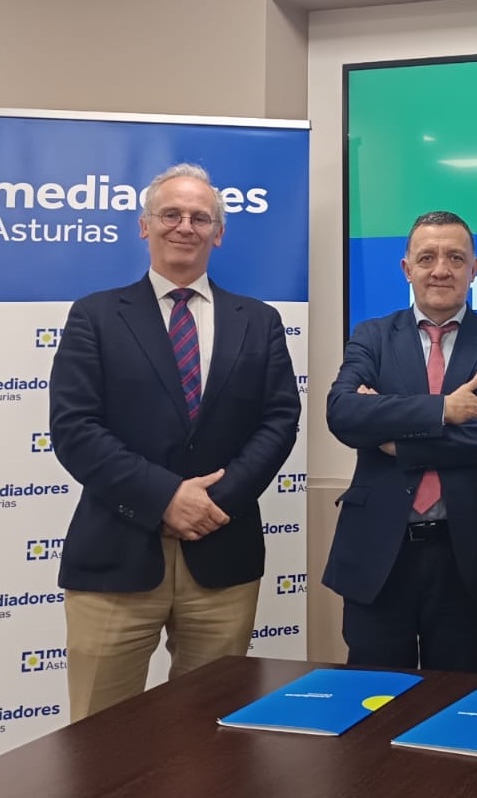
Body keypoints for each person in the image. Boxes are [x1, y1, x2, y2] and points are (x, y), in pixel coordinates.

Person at [49, 163, 301, 722]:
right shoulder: (95, 316)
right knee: (99, 738)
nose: (185, 226)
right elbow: (74, 428)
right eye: (171, 214)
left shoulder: (259, 321)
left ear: (219, 232)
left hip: (223, 554)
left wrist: (213, 502)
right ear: (145, 226)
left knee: (211, 735)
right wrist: (165, 497)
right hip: (116, 558)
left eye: (200, 217)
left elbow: (280, 420)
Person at [322, 211, 477, 672]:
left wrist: (398, 441)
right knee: (374, 698)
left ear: (474, 269)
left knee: (455, 696)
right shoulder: (372, 335)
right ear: (407, 268)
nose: (441, 270)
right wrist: (443, 410)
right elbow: (344, 413)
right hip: (378, 551)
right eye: (427, 257)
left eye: (455, 258)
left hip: (465, 552)